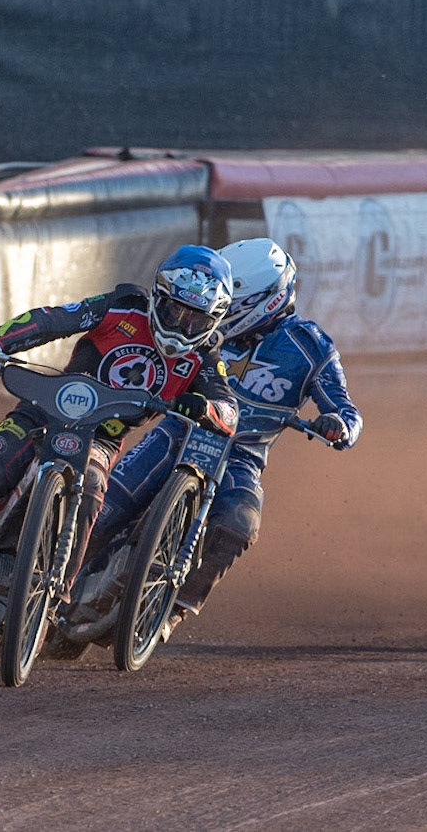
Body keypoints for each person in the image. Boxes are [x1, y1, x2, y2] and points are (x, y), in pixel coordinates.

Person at [0, 245, 242, 667]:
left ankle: (45, 608)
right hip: (38, 416)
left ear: (214, 319)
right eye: (175, 311)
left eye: (197, 318)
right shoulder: (121, 306)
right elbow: (51, 319)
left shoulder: (205, 357)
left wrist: (207, 409)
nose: (184, 324)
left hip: (99, 440)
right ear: (158, 296)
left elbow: (229, 409)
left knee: (92, 493)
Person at [80, 238, 362, 640]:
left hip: (241, 456)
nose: (218, 310)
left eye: (233, 302)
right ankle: (35, 593)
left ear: (267, 300)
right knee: (99, 512)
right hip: (177, 431)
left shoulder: (311, 347)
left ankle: (175, 611)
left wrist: (338, 424)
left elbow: (348, 413)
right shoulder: (197, 323)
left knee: (239, 523)